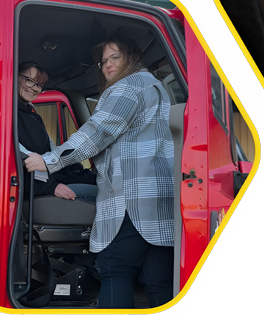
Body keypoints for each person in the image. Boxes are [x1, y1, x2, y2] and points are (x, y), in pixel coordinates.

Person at [24, 38, 174, 309]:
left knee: (113, 266)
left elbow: (96, 133)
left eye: (114, 58)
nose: (107, 66)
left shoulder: (128, 87)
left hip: (134, 196)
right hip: (158, 195)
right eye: (104, 61)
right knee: (157, 277)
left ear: (131, 56)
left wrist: (48, 162)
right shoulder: (156, 87)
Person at [17, 62, 97, 201]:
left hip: (52, 179)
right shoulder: (7, 115)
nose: (35, 89)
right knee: (106, 195)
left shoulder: (33, 116)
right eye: (30, 81)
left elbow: (50, 150)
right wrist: (52, 186)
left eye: (39, 85)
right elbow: (24, 159)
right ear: (14, 76)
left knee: (101, 184)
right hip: (38, 190)